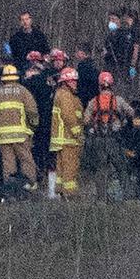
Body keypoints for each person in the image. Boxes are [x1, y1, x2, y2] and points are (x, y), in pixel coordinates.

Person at [0, 65, 39, 190]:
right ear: (16, 78)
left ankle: (10, 187)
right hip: (21, 135)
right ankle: (29, 186)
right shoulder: (23, 91)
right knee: (26, 160)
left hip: (2, 136)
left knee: (8, 162)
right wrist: (33, 126)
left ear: (3, 79)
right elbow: (32, 111)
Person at [84, 71, 135, 200]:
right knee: (121, 168)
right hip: (114, 139)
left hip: (99, 140)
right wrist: (122, 122)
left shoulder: (93, 101)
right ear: (111, 84)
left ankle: (101, 198)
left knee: (101, 169)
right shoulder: (118, 100)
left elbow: (85, 120)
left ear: (100, 85)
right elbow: (131, 113)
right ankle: (127, 196)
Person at [50, 67, 85, 196]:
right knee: (70, 168)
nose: (75, 83)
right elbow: (69, 116)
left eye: (75, 81)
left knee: (61, 169)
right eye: (72, 81)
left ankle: (60, 191)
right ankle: (70, 195)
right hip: (68, 139)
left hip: (62, 139)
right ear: (65, 82)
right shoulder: (65, 95)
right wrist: (78, 134)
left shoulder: (63, 94)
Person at [22, 51, 54, 179]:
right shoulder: (27, 79)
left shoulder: (43, 78)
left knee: (40, 147)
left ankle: (39, 173)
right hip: (32, 117)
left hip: (42, 118)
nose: (34, 66)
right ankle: (35, 174)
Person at [102, 10, 140, 93]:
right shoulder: (109, 36)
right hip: (110, 68)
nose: (111, 22)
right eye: (110, 19)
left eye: (114, 19)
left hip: (121, 69)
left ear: (119, 20)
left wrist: (132, 66)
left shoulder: (124, 35)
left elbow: (129, 51)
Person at [75, 41, 100, 110]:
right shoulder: (94, 68)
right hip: (92, 101)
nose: (76, 55)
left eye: (78, 52)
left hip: (84, 102)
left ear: (84, 53)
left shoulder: (83, 68)